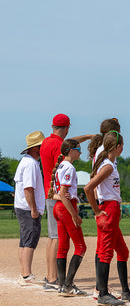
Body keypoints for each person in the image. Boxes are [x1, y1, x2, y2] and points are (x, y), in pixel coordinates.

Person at [39, 114, 92, 291]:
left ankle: (52, 276)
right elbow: (68, 145)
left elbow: (69, 143)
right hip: (61, 199)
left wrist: (88, 137)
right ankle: (54, 279)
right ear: (67, 128)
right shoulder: (62, 153)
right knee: (59, 239)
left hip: (51, 194)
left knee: (53, 238)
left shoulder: (46, 142)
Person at [84, 131, 128, 306]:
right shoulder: (108, 166)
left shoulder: (108, 163)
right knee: (106, 252)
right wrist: (96, 211)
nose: (123, 148)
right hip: (108, 209)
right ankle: (102, 293)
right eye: (122, 145)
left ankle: (121, 291)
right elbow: (88, 188)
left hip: (112, 208)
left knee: (122, 251)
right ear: (117, 146)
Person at [51, 139, 88, 296]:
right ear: (70, 151)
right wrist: (74, 215)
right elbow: (62, 193)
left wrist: (62, 199)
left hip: (58, 208)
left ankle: (62, 285)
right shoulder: (69, 167)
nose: (80, 152)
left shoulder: (60, 166)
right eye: (78, 149)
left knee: (63, 247)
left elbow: (54, 193)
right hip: (66, 208)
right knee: (81, 247)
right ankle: (68, 285)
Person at [15, 132, 47, 287]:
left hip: (22, 207)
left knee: (24, 241)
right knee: (29, 241)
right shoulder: (31, 164)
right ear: (35, 148)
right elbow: (28, 189)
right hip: (28, 208)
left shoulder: (25, 161)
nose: (44, 149)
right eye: (42, 146)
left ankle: (24, 273)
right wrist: (34, 209)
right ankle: (27, 275)